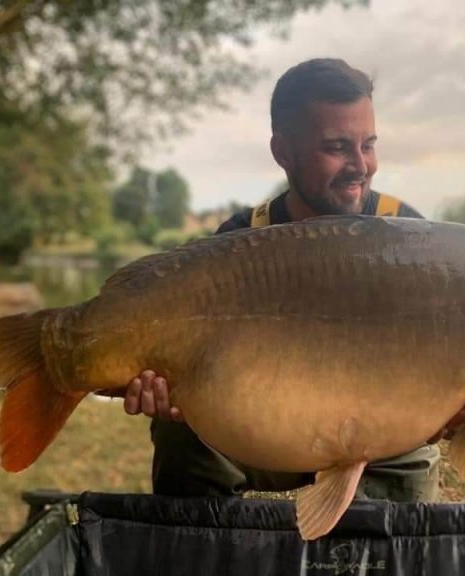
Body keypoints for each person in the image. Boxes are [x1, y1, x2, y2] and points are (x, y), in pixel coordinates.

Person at [122, 58, 442, 502]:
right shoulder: (238, 243)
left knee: (406, 500)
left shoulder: (408, 236)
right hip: (264, 430)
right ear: (283, 153)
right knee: (182, 433)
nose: (360, 166)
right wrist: (173, 392)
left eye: (367, 144)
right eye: (335, 147)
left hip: (381, 439)